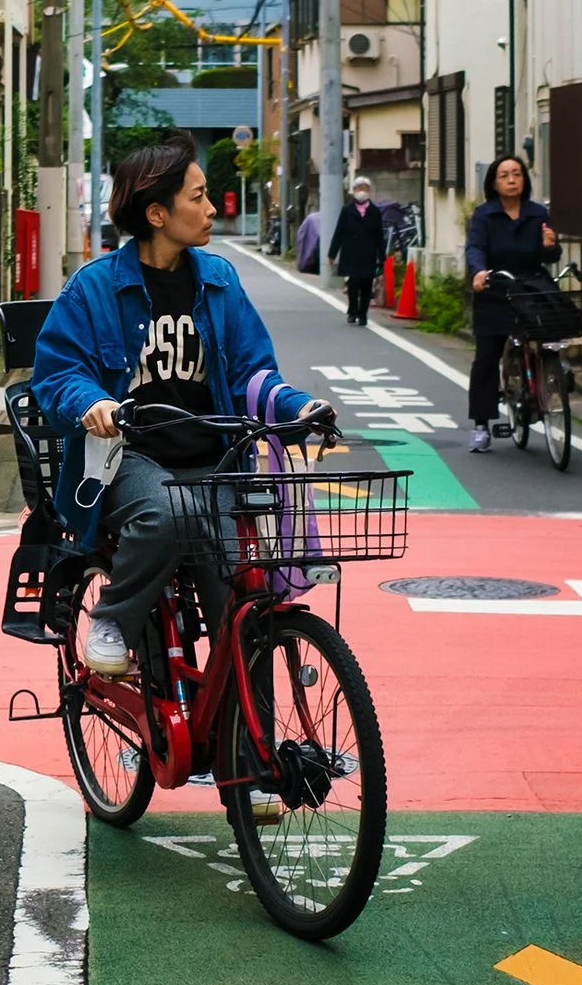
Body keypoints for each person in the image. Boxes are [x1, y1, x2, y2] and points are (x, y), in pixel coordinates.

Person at [30, 135, 334, 677]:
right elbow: (58, 376)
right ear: (156, 212)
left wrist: (297, 405)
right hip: (126, 459)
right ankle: (112, 619)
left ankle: (251, 755)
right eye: (197, 197)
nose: (211, 208)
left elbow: (252, 372)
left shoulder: (219, 281)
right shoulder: (93, 289)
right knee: (172, 514)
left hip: (214, 461)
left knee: (244, 607)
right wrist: (94, 402)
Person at [462, 154, 558, 452]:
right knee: (486, 358)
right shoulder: (484, 215)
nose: (512, 180)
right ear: (494, 182)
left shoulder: (537, 213)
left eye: (517, 174)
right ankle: (481, 424)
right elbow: (475, 247)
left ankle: (552, 377)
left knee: (552, 333)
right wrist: (479, 272)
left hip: (531, 287)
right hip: (496, 286)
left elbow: (550, 256)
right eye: (505, 175)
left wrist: (551, 247)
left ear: (524, 180)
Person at [332, 175, 387, 325]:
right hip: (351, 252)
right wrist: (332, 253)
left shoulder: (375, 212)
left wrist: (382, 256)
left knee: (367, 285)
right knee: (354, 283)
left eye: (365, 188)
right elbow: (339, 232)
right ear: (354, 190)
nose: (362, 191)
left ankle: (363, 314)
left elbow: (379, 235)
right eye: (359, 188)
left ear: (369, 191)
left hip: (368, 252)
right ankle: (352, 311)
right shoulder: (346, 210)